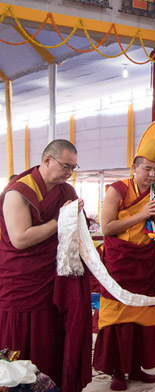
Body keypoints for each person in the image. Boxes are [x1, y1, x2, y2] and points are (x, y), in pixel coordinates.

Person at [94, 120, 155, 391]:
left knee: (144, 316)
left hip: (148, 263)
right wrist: (140, 216)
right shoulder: (116, 191)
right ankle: (118, 371)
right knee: (120, 318)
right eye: (147, 169)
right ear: (134, 168)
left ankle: (138, 366)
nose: (152, 174)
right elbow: (107, 228)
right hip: (121, 263)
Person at [0, 140, 91, 392]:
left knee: (51, 341)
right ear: (47, 160)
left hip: (54, 279)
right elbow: (20, 239)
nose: (68, 172)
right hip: (22, 281)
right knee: (19, 347)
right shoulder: (18, 192)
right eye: (65, 166)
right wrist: (60, 219)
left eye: (73, 167)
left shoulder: (66, 192)